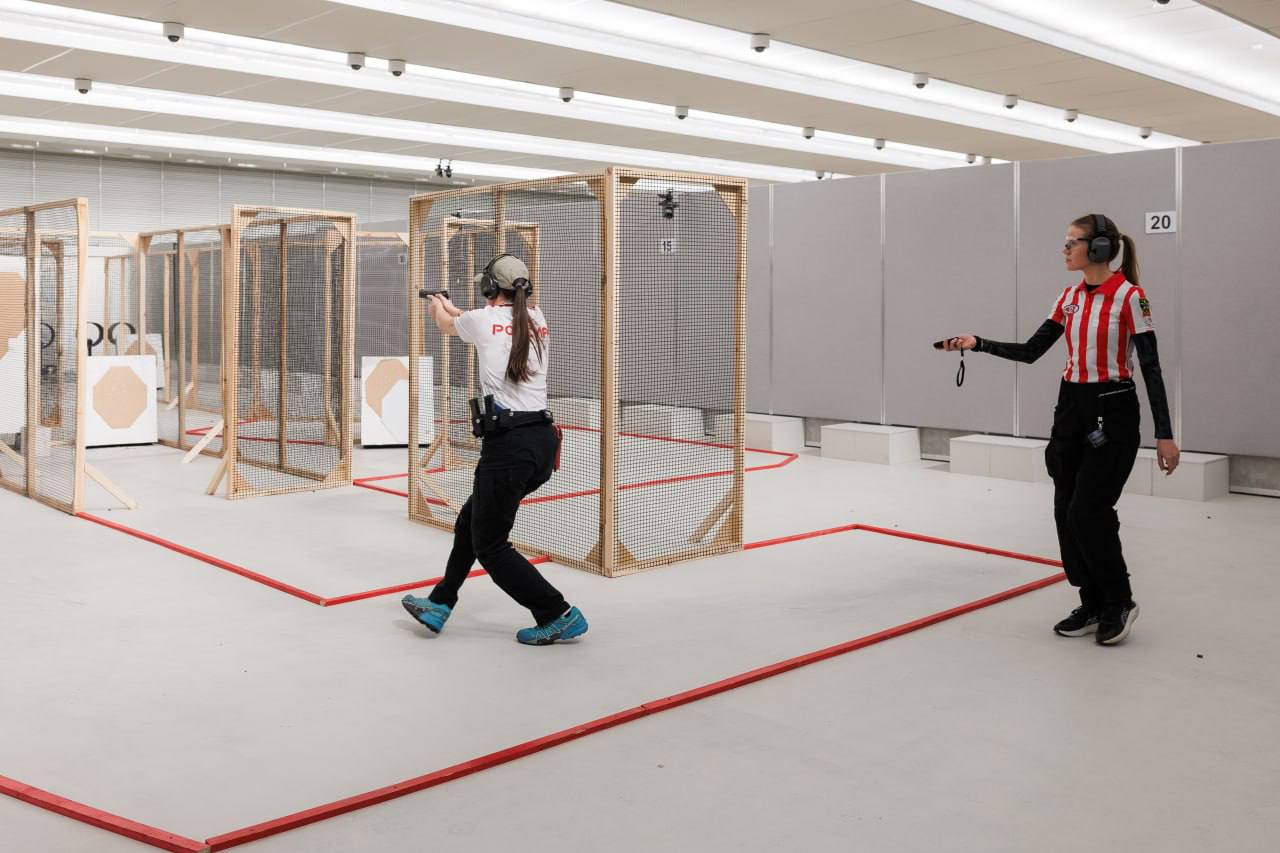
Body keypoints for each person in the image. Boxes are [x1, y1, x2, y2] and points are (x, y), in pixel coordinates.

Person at [940, 213, 1179, 646]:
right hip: (1071, 409)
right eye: (1065, 242)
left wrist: (1165, 433)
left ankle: (1119, 601)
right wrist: (978, 343)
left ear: (1099, 248)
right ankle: (1091, 601)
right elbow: (1032, 351)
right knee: (1065, 510)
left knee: (1089, 511)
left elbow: (1151, 366)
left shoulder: (1131, 297)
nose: (1064, 249)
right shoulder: (1068, 298)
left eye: (1073, 242)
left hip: (1112, 410)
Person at [401, 254, 588, 646]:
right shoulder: (536, 317)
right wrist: (451, 305)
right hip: (539, 441)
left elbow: (448, 325)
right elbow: (476, 319)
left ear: (489, 288)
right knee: (470, 522)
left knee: (490, 545)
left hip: (509, 449)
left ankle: (557, 613)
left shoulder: (481, 321)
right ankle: (441, 603)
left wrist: (437, 307)